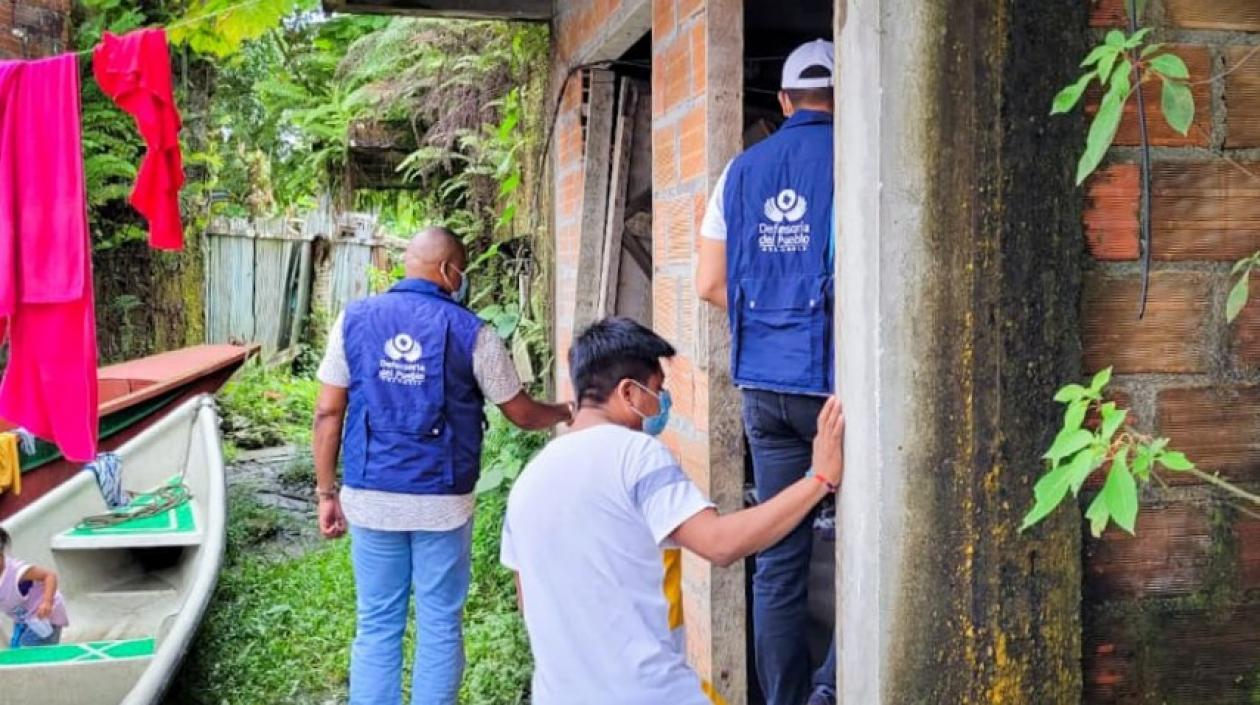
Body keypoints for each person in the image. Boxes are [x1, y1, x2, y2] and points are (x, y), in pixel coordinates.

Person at [500, 317, 843, 705]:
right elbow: (720, 544)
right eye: (657, 390)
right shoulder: (636, 456)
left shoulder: (527, 483)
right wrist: (818, 480)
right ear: (628, 392)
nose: (663, 404)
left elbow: (529, 601)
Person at [312, 226, 573, 705]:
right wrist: (563, 411)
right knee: (438, 622)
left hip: (371, 496)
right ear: (451, 271)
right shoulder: (474, 332)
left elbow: (328, 412)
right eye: (463, 272)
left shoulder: (353, 320)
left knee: (376, 622)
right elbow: (519, 411)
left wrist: (327, 493)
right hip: (443, 502)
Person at [694, 38, 838, 705]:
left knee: (779, 555)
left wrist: (771, 311)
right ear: (842, 97)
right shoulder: (853, 159)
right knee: (864, 541)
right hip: (834, 392)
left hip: (763, 388)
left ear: (783, 101)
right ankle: (833, 688)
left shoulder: (740, 172)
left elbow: (709, 282)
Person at [0, 527, 69, 647]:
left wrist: (47, 602)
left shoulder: (17, 571)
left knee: (30, 650)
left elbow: (49, 576)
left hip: (44, 616)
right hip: (23, 619)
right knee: (16, 649)